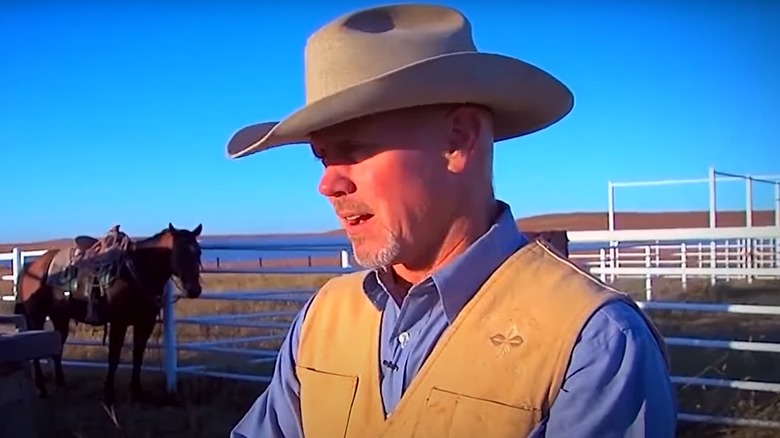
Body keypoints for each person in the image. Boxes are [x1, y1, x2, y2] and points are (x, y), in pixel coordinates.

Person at [227, 4, 677, 437]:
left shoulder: (592, 341)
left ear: (458, 141)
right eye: (323, 158)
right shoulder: (321, 317)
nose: (327, 185)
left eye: (353, 150)